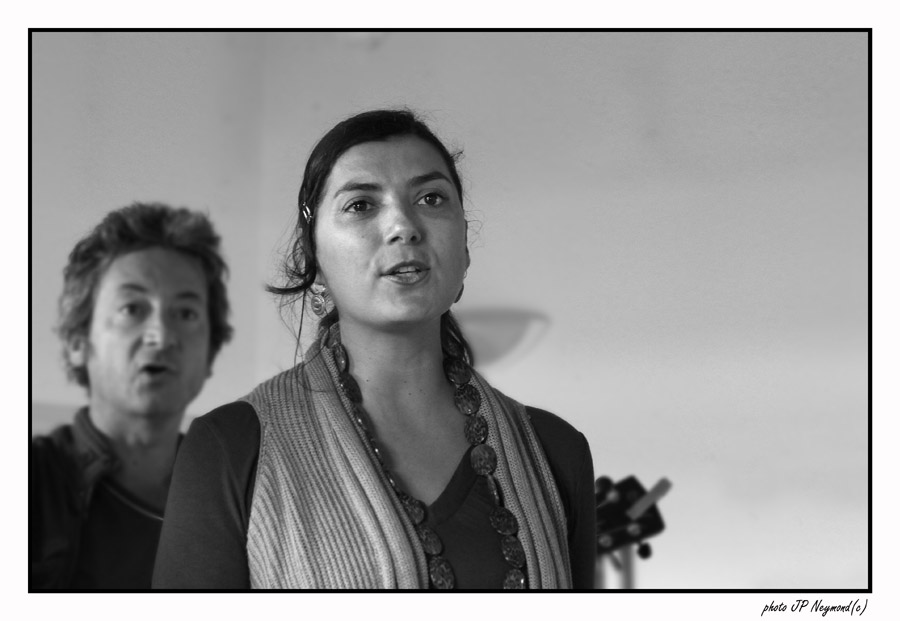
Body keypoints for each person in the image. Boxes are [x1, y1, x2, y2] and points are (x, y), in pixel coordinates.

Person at [153, 109, 596, 590]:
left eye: (431, 198)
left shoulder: (555, 452)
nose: (403, 226)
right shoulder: (232, 449)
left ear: (465, 246)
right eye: (361, 205)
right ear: (314, 259)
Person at [30, 203, 233, 590]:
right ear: (77, 342)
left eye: (186, 313)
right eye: (132, 308)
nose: (161, 335)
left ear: (210, 352)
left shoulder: (238, 491)